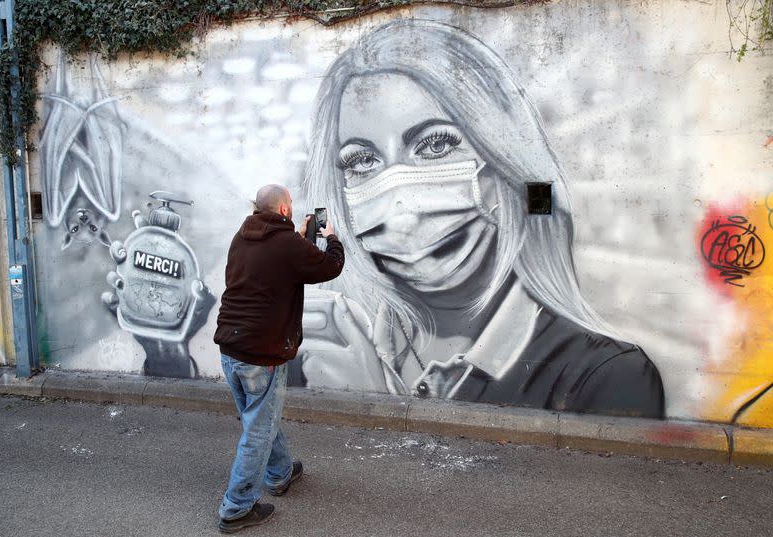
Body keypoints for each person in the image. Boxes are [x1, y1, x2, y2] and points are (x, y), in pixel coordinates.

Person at [295, 19, 665, 419]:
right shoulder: (326, 348)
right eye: (362, 160)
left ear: (502, 165)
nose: (401, 201)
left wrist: (370, 401)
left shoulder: (606, 376)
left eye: (435, 144)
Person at [213, 184, 344, 532]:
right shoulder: (288, 245)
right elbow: (331, 267)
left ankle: (280, 473)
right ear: (285, 210)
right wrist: (330, 237)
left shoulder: (242, 236)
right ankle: (236, 507)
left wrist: (297, 237)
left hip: (230, 348)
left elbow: (272, 260)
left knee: (259, 418)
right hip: (262, 352)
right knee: (259, 428)